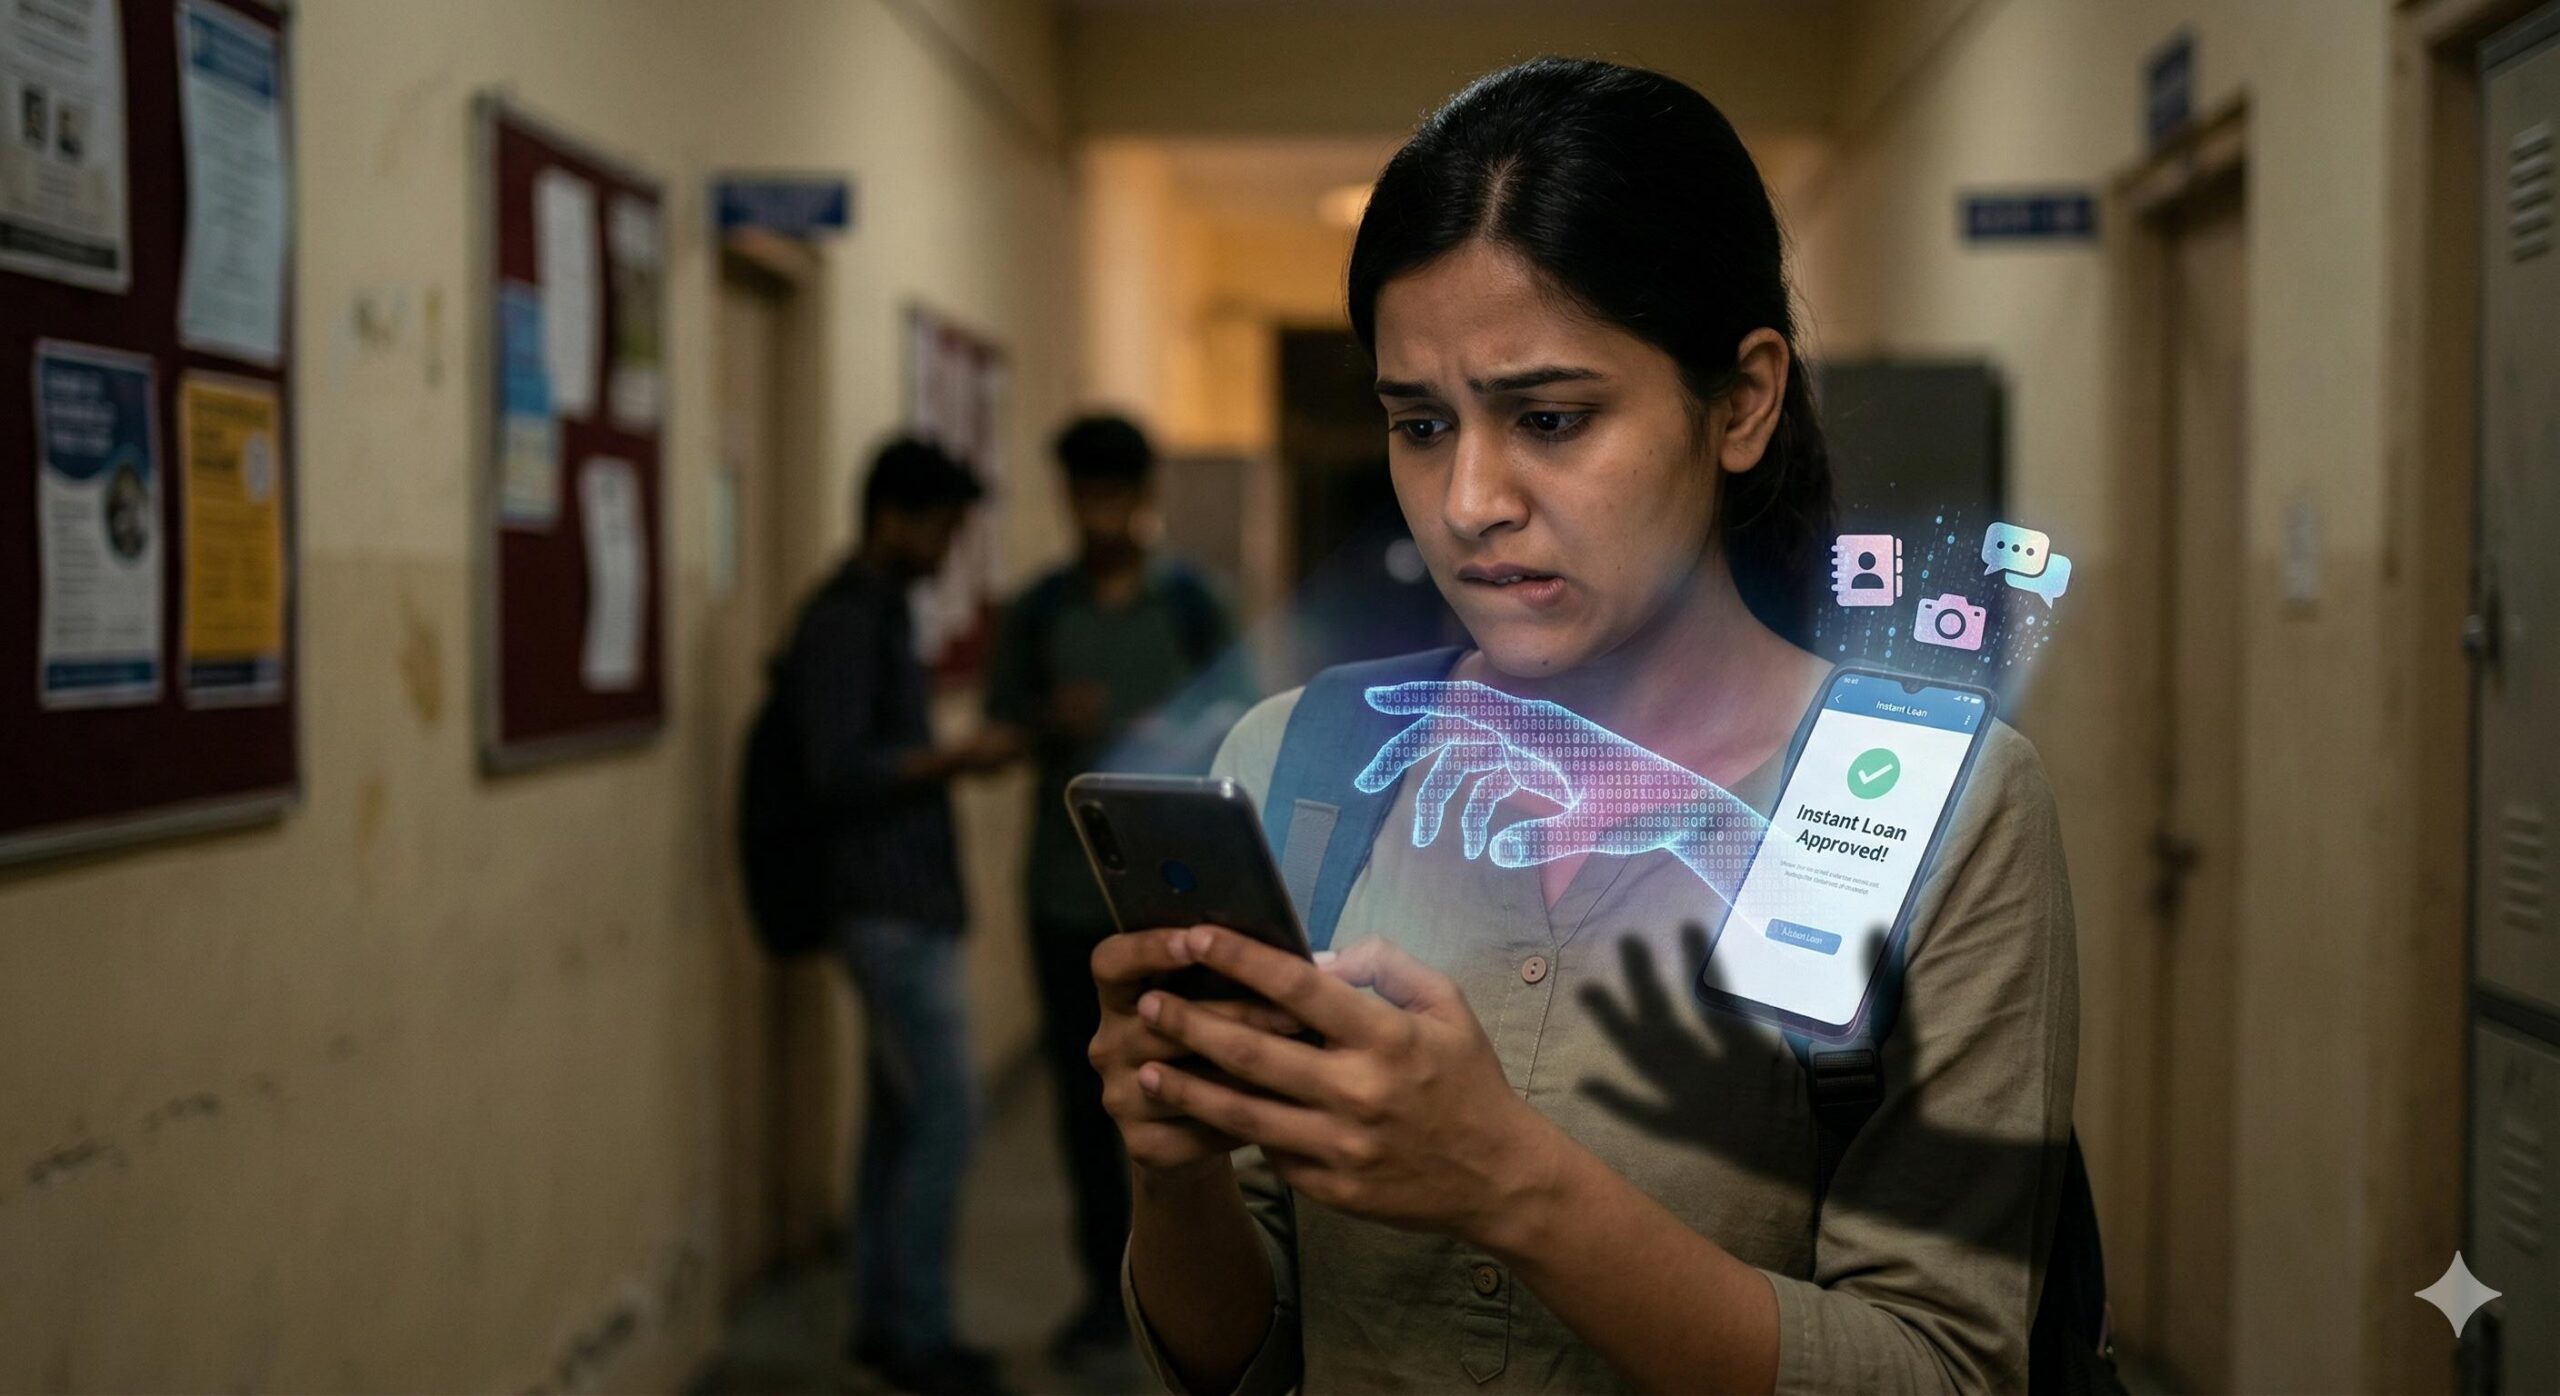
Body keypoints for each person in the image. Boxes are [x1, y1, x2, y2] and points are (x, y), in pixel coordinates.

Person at [1088, 58, 2079, 1394]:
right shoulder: (1303, 766)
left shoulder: (1922, 802)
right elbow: (1243, 1359)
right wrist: (1179, 1170)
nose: (1468, 499)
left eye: (1550, 418)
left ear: (1741, 404)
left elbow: (1946, 1371)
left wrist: (1507, 1183)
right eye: (1419, 425)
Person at [983, 413, 1239, 1367]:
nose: (1097, 515)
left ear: (1142, 497)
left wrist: (1171, 728)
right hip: (1063, 890)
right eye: (1081, 497)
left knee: (1184, 1095)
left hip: (1174, 899)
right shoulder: (1040, 609)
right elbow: (1002, 723)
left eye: (1112, 496)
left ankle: (1195, 1293)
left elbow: (1243, 715)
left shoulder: (1193, 605)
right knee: (1082, 1102)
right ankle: (1102, 1290)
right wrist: (1051, 720)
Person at [785, 435, 1018, 1396]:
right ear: (892, 519)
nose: (948, 550)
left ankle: (883, 1321)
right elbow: (837, 770)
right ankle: (917, 1331)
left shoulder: (881, 615)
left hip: (905, 901)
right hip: (884, 907)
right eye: (942, 529)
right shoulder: (844, 622)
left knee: (897, 1119)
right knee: (949, 1116)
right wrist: (956, 760)